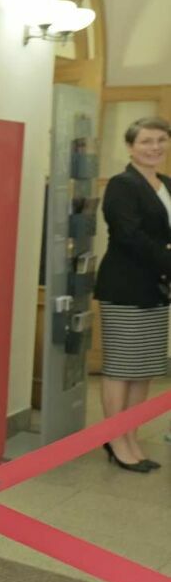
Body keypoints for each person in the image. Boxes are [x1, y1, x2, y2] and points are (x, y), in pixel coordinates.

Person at [93, 116, 171, 471]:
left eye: (160, 140)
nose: (154, 147)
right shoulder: (122, 185)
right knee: (122, 368)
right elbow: (129, 235)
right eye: (146, 141)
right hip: (125, 288)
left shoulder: (166, 183)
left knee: (144, 370)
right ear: (130, 147)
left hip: (155, 289)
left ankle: (131, 437)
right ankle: (115, 440)